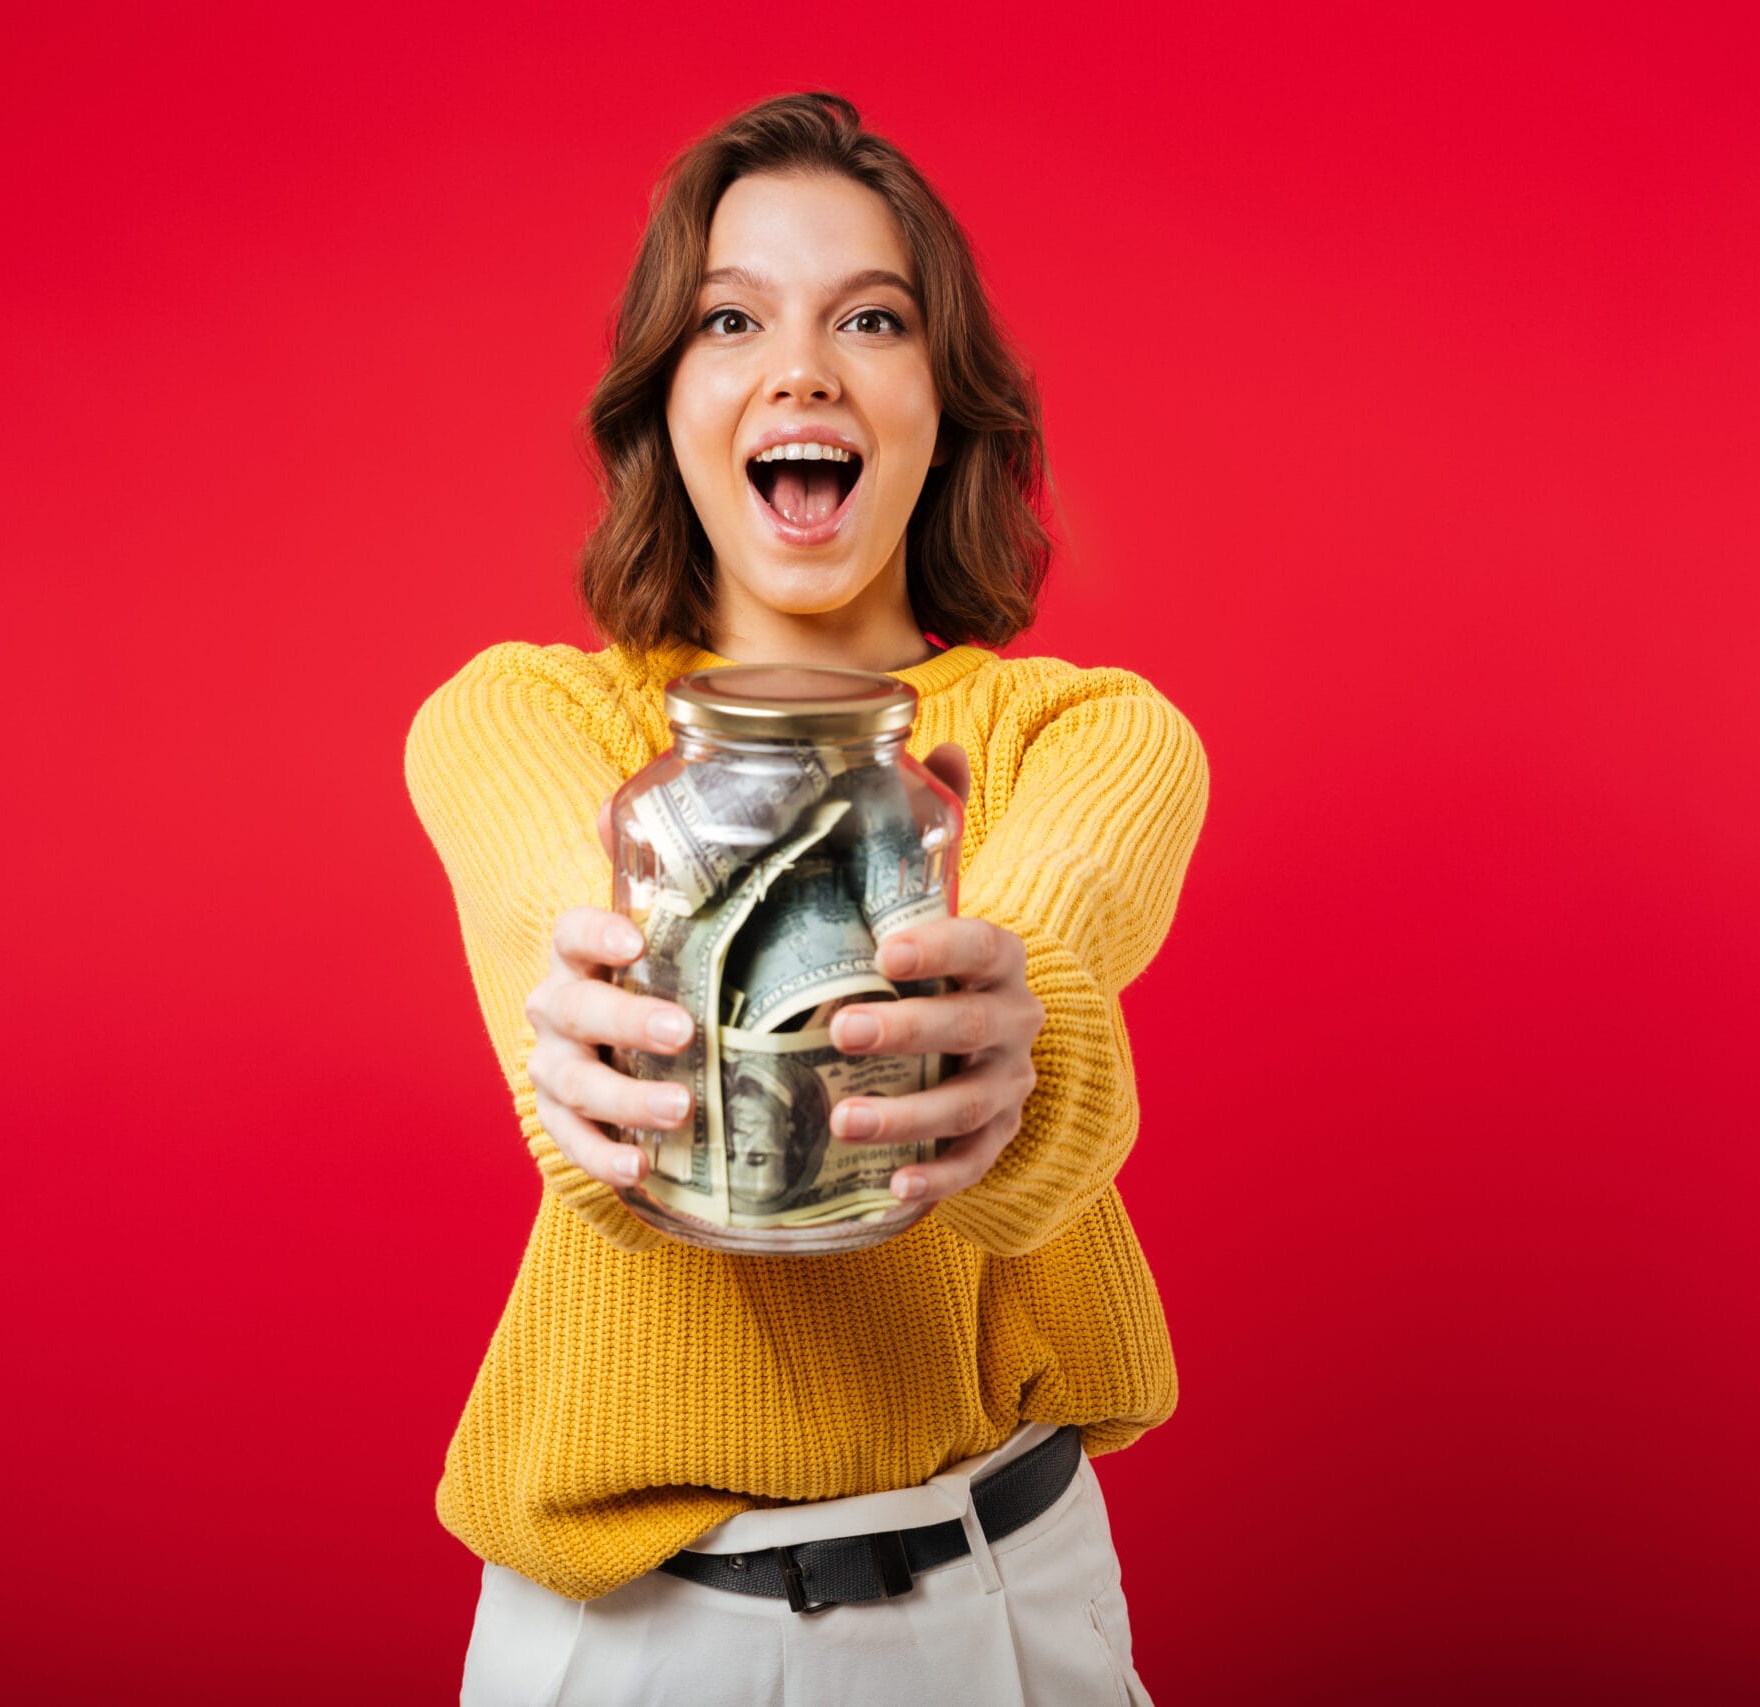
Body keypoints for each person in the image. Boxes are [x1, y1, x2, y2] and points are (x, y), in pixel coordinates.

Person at [405, 90, 1209, 1707]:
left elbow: (1047, 935)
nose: (803, 367)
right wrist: (598, 1044)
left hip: (1010, 1609)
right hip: (630, 1642)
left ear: (942, 403)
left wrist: (1006, 1057)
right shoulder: (531, 720)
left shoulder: (1090, 734)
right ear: (668, 401)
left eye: (871, 317)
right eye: (731, 317)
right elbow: (553, 907)